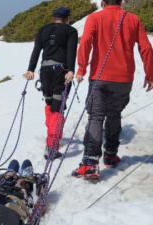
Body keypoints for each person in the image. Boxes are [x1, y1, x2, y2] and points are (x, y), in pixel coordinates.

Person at [72, 0, 153, 179]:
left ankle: (90, 163)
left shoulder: (95, 18)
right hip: (124, 78)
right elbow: (146, 48)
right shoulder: (133, 19)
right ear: (121, 2)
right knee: (114, 114)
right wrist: (150, 74)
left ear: (102, 2)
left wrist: (81, 68)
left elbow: (85, 42)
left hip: (100, 76)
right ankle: (110, 154)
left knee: (96, 116)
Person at [24, 7, 78, 160]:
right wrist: (71, 70)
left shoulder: (43, 29)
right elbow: (71, 51)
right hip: (60, 70)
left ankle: (52, 137)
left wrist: (30, 69)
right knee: (57, 107)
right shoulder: (70, 31)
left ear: (54, 18)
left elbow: (36, 50)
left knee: (49, 104)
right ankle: (52, 146)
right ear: (67, 18)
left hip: (45, 70)